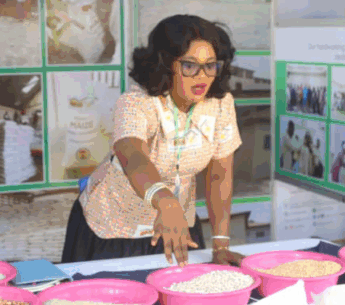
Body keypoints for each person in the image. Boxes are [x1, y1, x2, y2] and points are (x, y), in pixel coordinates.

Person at [62, 14, 243, 268]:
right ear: (166, 64)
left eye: (210, 65)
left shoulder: (221, 105)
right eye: (189, 66)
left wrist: (221, 244)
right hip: (113, 229)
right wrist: (165, 201)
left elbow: (219, 176)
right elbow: (132, 155)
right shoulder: (137, 102)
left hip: (177, 224)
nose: (201, 76)